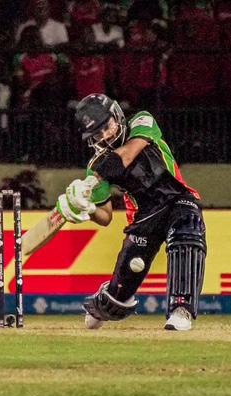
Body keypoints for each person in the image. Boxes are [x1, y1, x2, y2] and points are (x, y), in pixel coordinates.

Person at [55, 93, 206, 331]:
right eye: (97, 134)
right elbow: (105, 217)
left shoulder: (141, 121)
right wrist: (87, 208)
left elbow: (128, 154)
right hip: (144, 216)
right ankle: (103, 302)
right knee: (123, 287)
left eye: (106, 126)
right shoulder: (96, 166)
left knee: (188, 234)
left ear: (116, 116)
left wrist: (94, 180)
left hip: (177, 198)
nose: (105, 136)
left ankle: (181, 309)